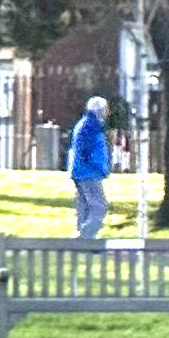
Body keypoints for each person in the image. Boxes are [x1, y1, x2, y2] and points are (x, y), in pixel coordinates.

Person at [66, 96, 113, 241]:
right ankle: (85, 235)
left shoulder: (84, 124)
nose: (107, 112)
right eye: (105, 109)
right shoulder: (91, 127)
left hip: (80, 171)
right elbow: (87, 151)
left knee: (84, 206)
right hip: (89, 172)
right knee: (99, 206)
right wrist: (99, 166)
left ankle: (86, 238)